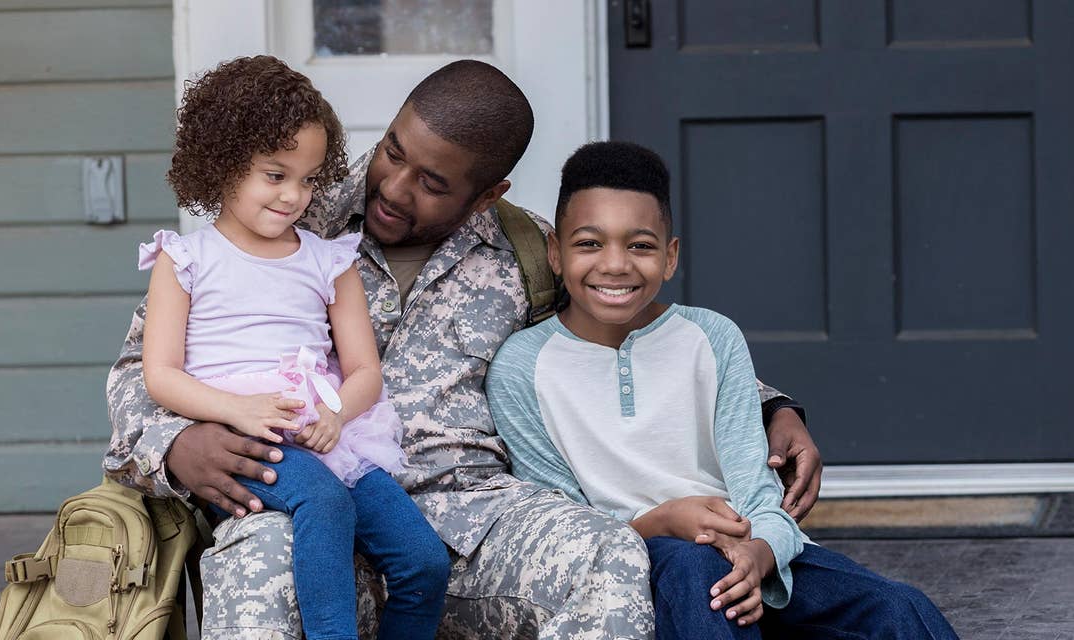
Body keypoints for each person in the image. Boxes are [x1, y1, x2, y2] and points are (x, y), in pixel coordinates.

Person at [105, 59, 822, 638]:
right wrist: (176, 445)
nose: (392, 187)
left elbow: (632, 331)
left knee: (608, 552)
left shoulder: (528, 252)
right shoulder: (292, 213)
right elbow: (143, 370)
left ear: (487, 194)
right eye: (391, 152)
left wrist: (769, 407)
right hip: (312, 501)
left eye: (433, 183)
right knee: (256, 567)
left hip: (474, 519)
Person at [487, 141, 959, 639]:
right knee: (699, 576)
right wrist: (665, 521)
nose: (615, 265)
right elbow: (562, 527)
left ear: (670, 258)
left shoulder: (712, 337)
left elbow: (758, 493)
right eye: (589, 244)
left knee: (898, 608)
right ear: (555, 255)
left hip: (750, 545)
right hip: (632, 563)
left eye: (640, 245)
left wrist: (760, 553)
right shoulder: (521, 368)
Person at [136, 56, 448, 639]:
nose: (293, 196)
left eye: (307, 179)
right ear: (223, 165)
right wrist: (234, 410)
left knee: (422, 561)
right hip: (245, 440)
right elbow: (160, 375)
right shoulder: (184, 261)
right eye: (275, 175)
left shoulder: (328, 260)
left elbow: (364, 372)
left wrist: (336, 412)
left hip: (328, 436)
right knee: (324, 505)